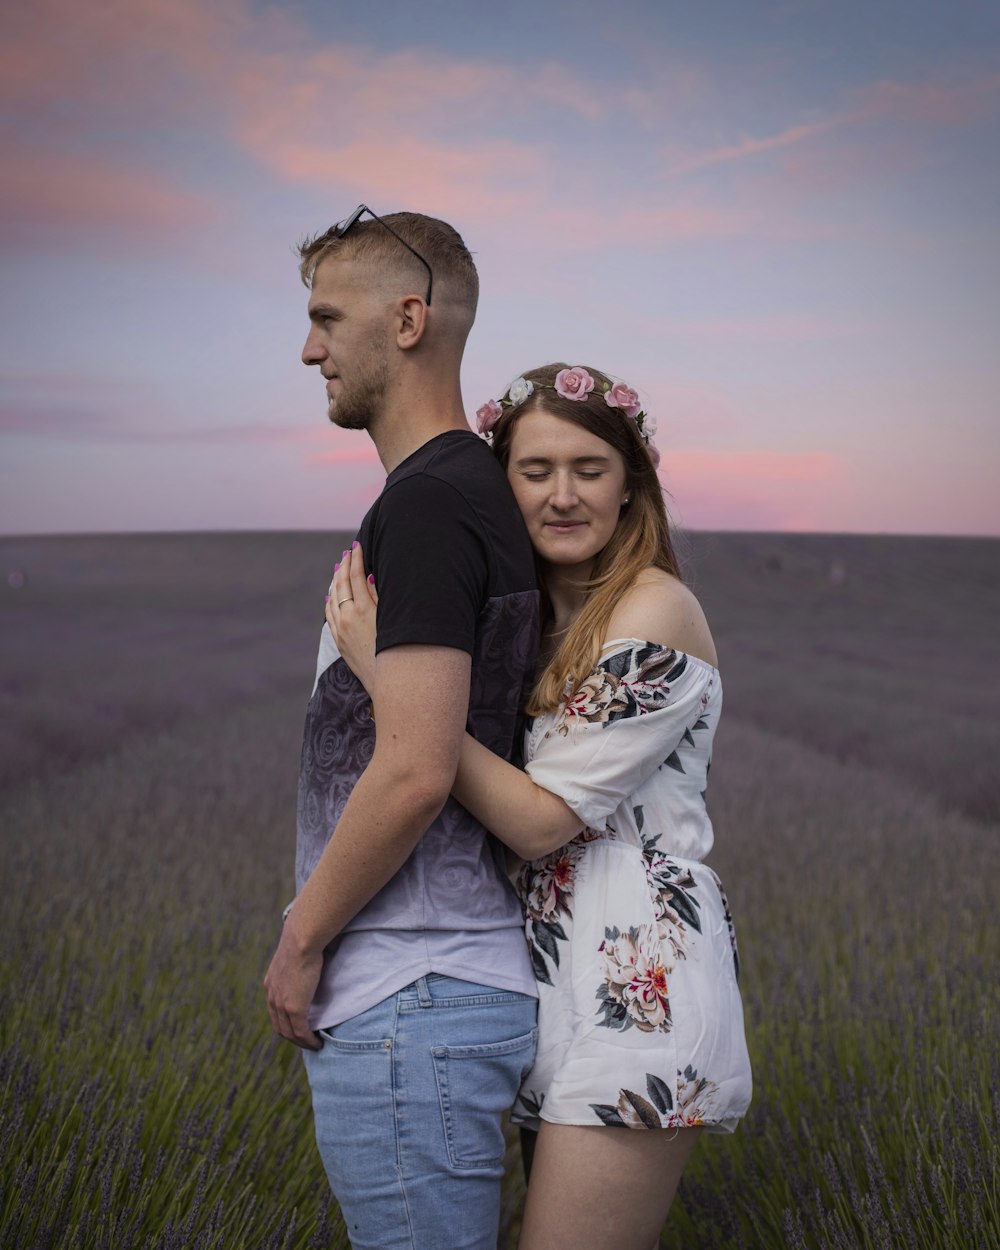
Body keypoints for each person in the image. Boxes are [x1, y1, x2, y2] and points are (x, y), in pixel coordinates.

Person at [329, 362, 753, 1250]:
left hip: (637, 976)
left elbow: (536, 820)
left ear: (630, 483)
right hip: (543, 971)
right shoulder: (531, 624)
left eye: (589, 469)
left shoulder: (655, 612)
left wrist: (388, 677)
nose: (563, 496)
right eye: (535, 471)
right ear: (502, 481)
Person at [263, 208, 541, 1250]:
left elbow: (416, 766)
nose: (309, 347)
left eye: (326, 317)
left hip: (409, 1001)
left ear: (409, 319)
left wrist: (302, 940)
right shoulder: (481, 491)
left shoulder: (425, 506)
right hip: (460, 994)